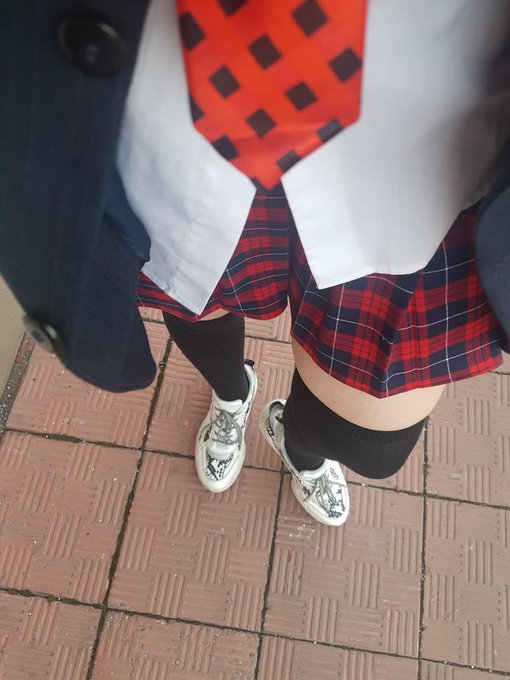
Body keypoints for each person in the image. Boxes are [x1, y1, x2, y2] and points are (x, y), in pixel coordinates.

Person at [113, 0, 509, 527]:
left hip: (425, 143)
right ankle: (232, 394)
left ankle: (297, 444)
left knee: (370, 444)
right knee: (194, 296)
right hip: (187, 98)